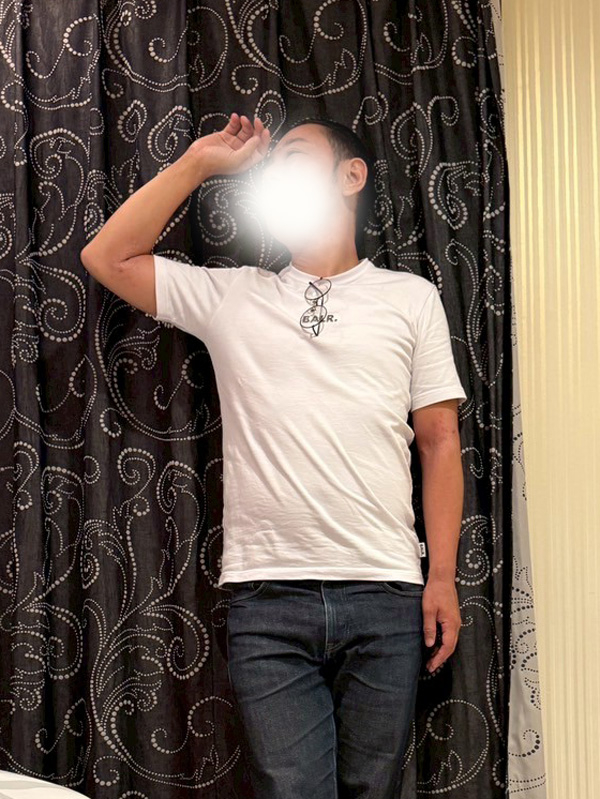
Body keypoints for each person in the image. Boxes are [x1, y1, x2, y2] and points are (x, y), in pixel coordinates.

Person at [80, 112, 467, 799]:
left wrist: (442, 577)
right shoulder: (235, 296)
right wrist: (200, 165)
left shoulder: (411, 299)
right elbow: (106, 257)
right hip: (268, 597)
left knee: (374, 788)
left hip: (384, 590)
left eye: (295, 156)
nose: (278, 171)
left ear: (351, 176)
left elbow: (439, 443)